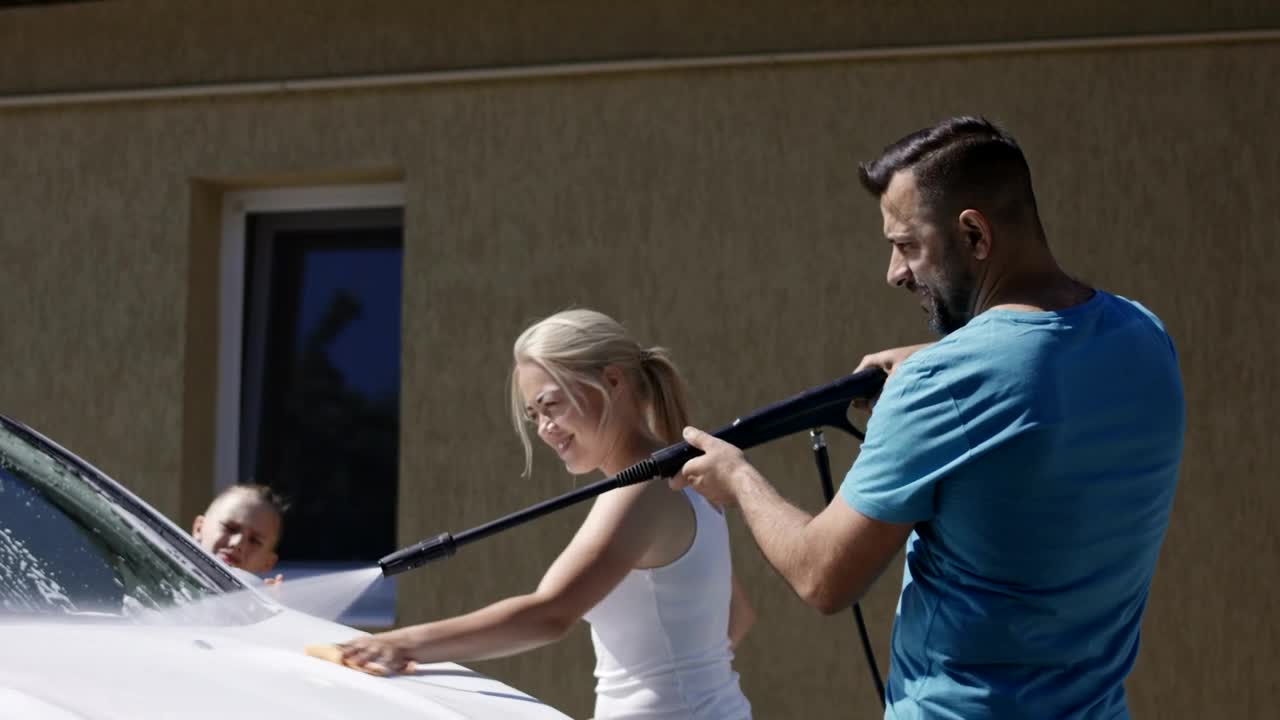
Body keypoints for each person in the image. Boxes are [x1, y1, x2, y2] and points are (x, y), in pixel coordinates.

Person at [672, 117, 1184, 718]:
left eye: (908, 244)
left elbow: (822, 576)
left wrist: (738, 479)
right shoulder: (1142, 335)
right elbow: (1045, 368)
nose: (895, 271)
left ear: (974, 235)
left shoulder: (943, 384)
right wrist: (942, 363)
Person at [340, 309, 754, 719]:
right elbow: (737, 615)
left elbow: (550, 614)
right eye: (534, 415)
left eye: (551, 404)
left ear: (613, 381)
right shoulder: (686, 479)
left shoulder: (639, 491)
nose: (544, 428)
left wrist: (401, 643)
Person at [192, 483, 286, 582]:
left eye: (254, 541)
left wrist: (268, 597)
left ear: (267, 563)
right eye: (230, 528)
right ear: (199, 528)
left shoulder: (260, 596)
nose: (237, 543)